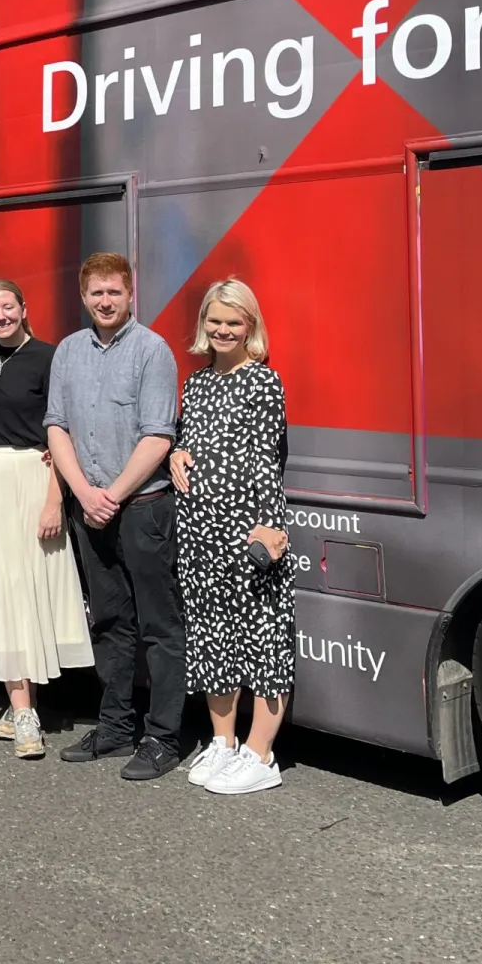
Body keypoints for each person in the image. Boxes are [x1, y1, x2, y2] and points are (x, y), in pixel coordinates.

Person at [47, 252, 187, 782]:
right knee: (109, 623)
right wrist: (84, 492)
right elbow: (56, 426)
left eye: (114, 292)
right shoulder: (68, 352)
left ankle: (163, 737)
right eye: (95, 293)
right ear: (83, 298)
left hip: (144, 510)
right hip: (91, 508)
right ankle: (114, 725)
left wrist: (113, 495)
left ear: (130, 295)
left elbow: (158, 436)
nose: (104, 301)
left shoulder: (153, 351)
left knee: (159, 627)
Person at [169, 278, 295, 794]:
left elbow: (268, 459)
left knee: (262, 639)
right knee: (212, 637)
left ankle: (260, 754)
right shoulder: (195, 384)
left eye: (233, 322)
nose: (222, 330)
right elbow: (187, 440)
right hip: (199, 530)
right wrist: (177, 452)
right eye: (214, 321)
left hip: (246, 528)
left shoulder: (264, 382)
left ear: (250, 327)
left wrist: (269, 527)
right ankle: (223, 743)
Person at [0, 280, 92, 760]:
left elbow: (61, 429)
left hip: (30, 476)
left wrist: (55, 496)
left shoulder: (48, 357)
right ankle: (22, 706)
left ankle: (23, 707)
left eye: (7, 307)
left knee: (26, 590)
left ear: (23, 308)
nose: (0, 316)